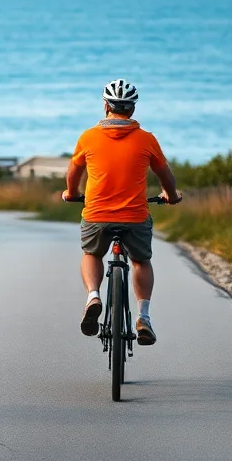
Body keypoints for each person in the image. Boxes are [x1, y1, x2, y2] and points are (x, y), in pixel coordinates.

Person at [63, 79, 181, 345]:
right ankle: (144, 317)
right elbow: (166, 176)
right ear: (133, 109)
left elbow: (73, 172)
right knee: (140, 261)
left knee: (92, 253)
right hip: (135, 217)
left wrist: (71, 192)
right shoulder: (147, 140)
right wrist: (171, 197)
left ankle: (93, 295)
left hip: (96, 215)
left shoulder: (88, 137)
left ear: (106, 105)